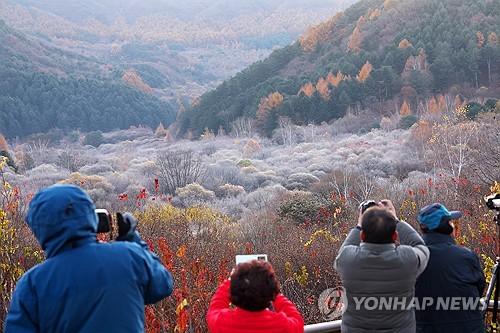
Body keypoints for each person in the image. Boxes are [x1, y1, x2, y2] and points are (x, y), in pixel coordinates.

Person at [4, 184, 174, 333]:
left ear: (39, 228)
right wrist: (135, 242)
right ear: (90, 215)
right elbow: (163, 285)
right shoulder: (129, 256)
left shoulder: (32, 284)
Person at [334, 200, 430, 333]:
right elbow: (421, 247)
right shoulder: (407, 258)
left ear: (362, 235)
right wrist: (396, 220)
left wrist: (359, 225)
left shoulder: (348, 259)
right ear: (395, 235)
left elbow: (340, 255)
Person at [415, 203, 486, 333]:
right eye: (450, 221)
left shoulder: (413, 258)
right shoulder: (466, 257)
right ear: (447, 227)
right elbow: (479, 288)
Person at [207, 260, 304, 333]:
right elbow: (296, 318)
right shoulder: (281, 325)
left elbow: (217, 304)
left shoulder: (222, 323)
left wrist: (231, 280)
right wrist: (273, 290)